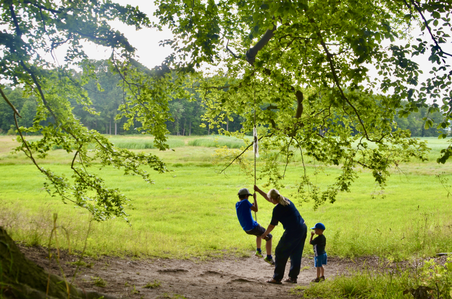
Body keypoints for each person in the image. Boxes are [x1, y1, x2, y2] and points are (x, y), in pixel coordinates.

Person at [254, 185, 307, 284]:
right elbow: (270, 198)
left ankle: (277, 278)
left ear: (273, 199)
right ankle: (293, 277)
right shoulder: (286, 200)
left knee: (280, 251)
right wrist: (258, 190)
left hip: (293, 231)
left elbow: (272, 225)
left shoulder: (277, 209)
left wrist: (264, 234)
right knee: (296, 253)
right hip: (302, 228)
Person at [235, 188, 274, 265]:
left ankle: (258, 251)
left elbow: (245, 210)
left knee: (258, 234)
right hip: (253, 227)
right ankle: (269, 257)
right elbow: (256, 209)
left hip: (246, 229)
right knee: (269, 236)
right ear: (246, 196)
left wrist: (251, 205)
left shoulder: (237, 204)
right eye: (248, 196)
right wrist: (255, 199)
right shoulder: (246, 201)